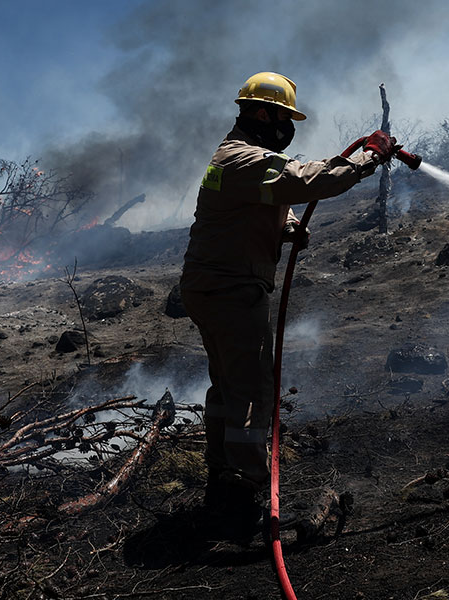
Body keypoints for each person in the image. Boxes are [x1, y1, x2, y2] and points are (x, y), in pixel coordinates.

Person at [179, 72, 396, 537]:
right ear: (262, 113)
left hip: (212, 286)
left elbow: (267, 197)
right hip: (231, 289)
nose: (287, 127)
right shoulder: (243, 158)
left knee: (227, 386)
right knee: (252, 390)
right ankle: (242, 496)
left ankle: (221, 481)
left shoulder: (238, 158)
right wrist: (362, 162)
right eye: (283, 116)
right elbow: (297, 179)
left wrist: (287, 225)